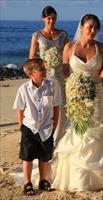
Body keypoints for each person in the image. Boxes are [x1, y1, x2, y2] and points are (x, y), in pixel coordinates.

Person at [49, 14, 103, 191]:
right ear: (81, 27)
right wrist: (74, 86)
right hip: (77, 95)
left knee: (100, 128)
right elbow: (65, 72)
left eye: (96, 28)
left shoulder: (102, 48)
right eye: (90, 27)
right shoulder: (69, 47)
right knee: (81, 129)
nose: (93, 31)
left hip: (97, 95)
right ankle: (81, 177)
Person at [13, 58, 61, 195]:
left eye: (44, 68)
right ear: (31, 74)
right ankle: (27, 183)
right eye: (41, 69)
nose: (44, 71)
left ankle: (43, 180)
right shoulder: (23, 89)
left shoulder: (52, 86)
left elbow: (56, 107)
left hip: (46, 128)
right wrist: (22, 126)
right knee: (27, 157)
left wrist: (54, 125)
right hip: (29, 128)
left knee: (44, 157)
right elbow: (20, 109)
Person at [29, 6, 69, 145]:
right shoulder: (37, 36)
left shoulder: (63, 35)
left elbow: (67, 56)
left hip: (59, 76)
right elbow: (32, 58)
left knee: (61, 107)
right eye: (48, 18)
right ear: (43, 19)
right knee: (46, 108)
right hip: (44, 77)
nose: (51, 21)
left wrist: (67, 73)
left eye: (54, 18)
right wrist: (41, 67)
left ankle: (59, 140)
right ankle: (46, 140)